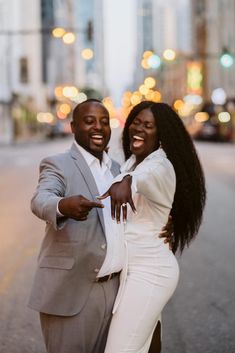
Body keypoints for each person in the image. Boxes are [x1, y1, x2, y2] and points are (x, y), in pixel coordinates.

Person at [28, 99, 172, 353]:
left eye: (104, 122)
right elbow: (41, 199)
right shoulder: (57, 164)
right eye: (89, 121)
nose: (98, 127)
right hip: (72, 292)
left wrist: (166, 224)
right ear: (73, 127)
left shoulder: (119, 169)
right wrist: (63, 206)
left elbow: (148, 201)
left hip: (118, 292)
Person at [98, 101, 206, 353]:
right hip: (136, 272)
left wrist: (127, 181)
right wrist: (127, 175)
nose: (139, 129)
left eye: (148, 126)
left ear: (161, 134)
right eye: (136, 122)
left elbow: (144, 178)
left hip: (150, 273)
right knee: (145, 346)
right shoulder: (133, 161)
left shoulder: (157, 165)